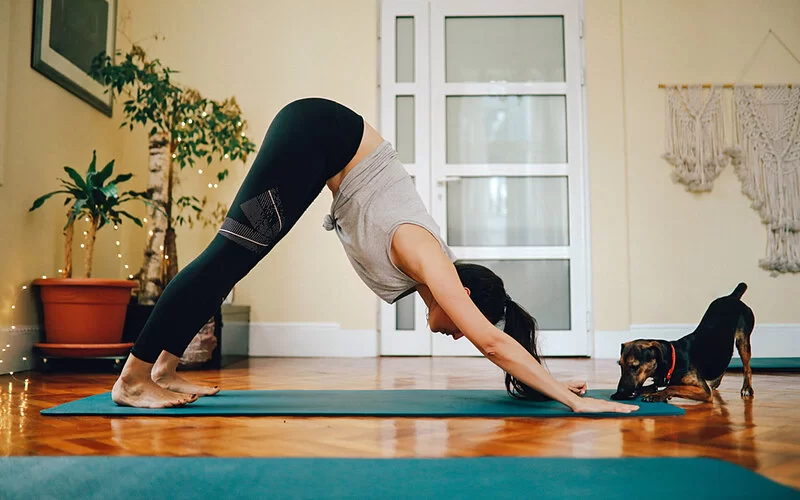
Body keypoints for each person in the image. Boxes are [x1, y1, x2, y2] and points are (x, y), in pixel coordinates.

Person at [111, 98, 638, 414]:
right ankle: (134, 381)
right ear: (465, 293)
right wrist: (574, 401)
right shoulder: (425, 255)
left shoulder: (430, 266)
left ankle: (164, 370)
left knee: (231, 261)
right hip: (317, 134)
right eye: (461, 321)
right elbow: (492, 339)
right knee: (227, 258)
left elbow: (492, 339)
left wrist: (544, 382)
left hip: (321, 141)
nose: (457, 332)